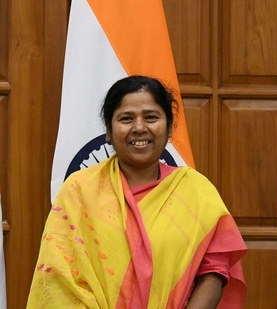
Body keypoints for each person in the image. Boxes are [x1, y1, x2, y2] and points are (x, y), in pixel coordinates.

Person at [27, 75, 247, 308]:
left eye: (151, 117)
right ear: (109, 132)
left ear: (169, 127)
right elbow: (58, 276)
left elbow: (214, 270)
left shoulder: (195, 191)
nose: (139, 127)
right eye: (126, 118)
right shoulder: (79, 190)